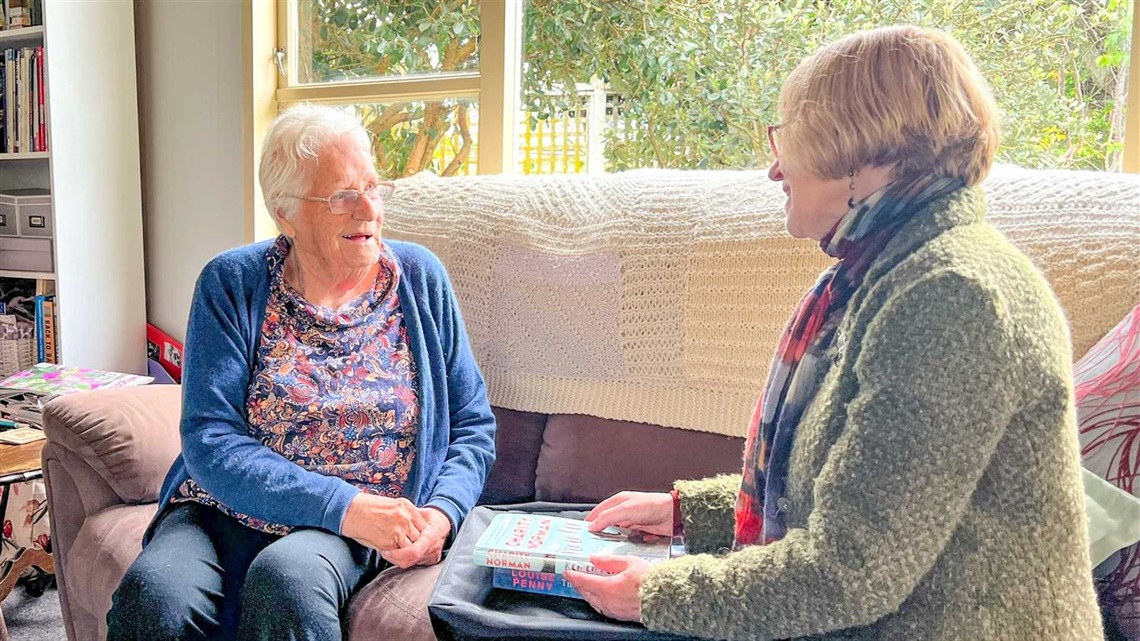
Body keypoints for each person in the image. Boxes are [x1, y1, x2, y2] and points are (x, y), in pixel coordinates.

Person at [567, 25, 1103, 640]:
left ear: (860, 156)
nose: (774, 169)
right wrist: (691, 513)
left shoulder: (949, 295)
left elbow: (853, 568)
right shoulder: (884, 274)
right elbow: (852, 491)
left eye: (788, 139)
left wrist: (660, 593)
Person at [107, 105, 496, 641]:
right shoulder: (231, 283)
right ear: (285, 214)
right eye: (340, 195)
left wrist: (443, 512)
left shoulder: (420, 278)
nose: (367, 209)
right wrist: (343, 505)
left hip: (362, 519)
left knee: (288, 576)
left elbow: (472, 425)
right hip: (224, 510)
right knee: (155, 594)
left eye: (371, 187)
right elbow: (211, 441)